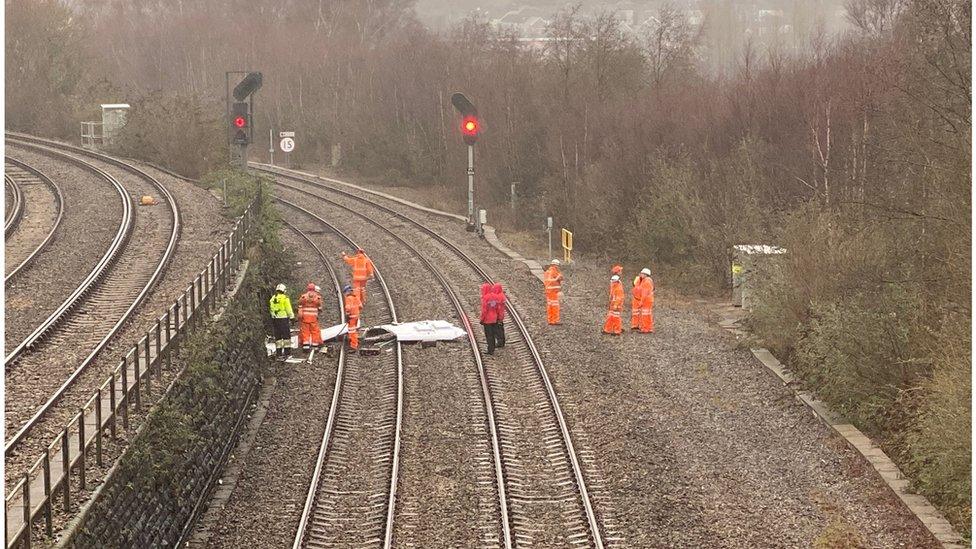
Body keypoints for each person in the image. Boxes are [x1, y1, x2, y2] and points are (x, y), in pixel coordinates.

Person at [269, 283, 294, 358]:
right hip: (283, 319)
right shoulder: (285, 298)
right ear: (284, 290)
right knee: (286, 335)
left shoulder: (273, 298)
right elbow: (288, 309)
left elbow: (271, 309)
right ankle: (287, 352)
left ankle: (279, 352)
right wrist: (292, 317)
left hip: (275, 319)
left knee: (278, 336)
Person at [297, 282, 323, 352]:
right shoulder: (317, 297)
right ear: (314, 289)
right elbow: (320, 307)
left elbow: (300, 305)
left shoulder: (303, 297)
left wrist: (300, 316)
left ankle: (306, 346)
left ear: (308, 288)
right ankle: (315, 346)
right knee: (315, 331)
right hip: (314, 318)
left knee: (305, 332)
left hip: (305, 317)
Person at [480, 283, 500, 355]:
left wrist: (482, 319)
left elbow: (484, 310)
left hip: (487, 320)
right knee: (493, 334)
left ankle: (490, 349)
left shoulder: (485, 298)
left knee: (489, 335)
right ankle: (493, 347)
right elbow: (498, 308)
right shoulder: (495, 296)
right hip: (494, 318)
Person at [543, 259, 563, 325]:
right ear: (556, 265)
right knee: (555, 306)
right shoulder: (554, 271)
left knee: (550, 305)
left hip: (548, 291)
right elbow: (560, 278)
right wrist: (560, 275)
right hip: (553, 291)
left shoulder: (547, 272)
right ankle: (555, 320)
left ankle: (550, 320)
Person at [343, 284, 362, 350]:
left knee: (351, 331)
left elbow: (348, 308)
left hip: (351, 317)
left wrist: (347, 315)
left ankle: (353, 345)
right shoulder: (355, 297)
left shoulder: (348, 298)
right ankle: (355, 341)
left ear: (347, 292)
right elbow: (360, 306)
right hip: (356, 316)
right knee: (354, 330)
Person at [636, 267, 655, 333]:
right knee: (648, 314)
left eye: (642, 273)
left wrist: (641, 301)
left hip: (646, 300)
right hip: (649, 300)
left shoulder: (646, 281)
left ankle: (645, 329)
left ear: (645, 274)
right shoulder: (648, 280)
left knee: (645, 315)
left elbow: (644, 293)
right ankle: (649, 328)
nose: (640, 274)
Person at [492, 283, 506, 348]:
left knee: (497, 329)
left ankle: (500, 342)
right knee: (501, 329)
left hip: (497, 315)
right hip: (501, 315)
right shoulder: (502, 295)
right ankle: (502, 341)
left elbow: (493, 305)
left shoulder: (497, 296)